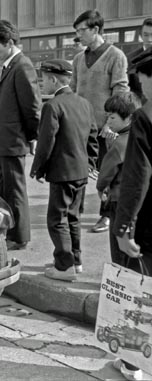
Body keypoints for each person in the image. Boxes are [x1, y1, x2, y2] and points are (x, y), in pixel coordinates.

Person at [30, 59, 98, 281]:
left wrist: (38, 169)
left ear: (53, 79)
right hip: (80, 171)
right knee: (73, 218)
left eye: (43, 79)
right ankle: (75, 261)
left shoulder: (52, 106)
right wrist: (90, 163)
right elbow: (93, 136)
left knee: (57, 220)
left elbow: (46, 142)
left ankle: (64, 266)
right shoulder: (84, 103)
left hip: (62, 173)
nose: (42, 83)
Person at [109, 48, 152, 381]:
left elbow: (137, 178)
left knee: (138, 292)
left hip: (148, 224)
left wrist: (125, 227)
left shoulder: (145, 117)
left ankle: (132, 363)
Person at [70, 9, 129, 233]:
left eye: (82, 31)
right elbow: (74, 90)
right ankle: (76, 210)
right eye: (76, 32)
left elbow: (120, 91)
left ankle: (106, 215)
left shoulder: (116, 56)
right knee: (79, 170)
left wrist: (110, 123)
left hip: (105, 129)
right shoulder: (78, 59)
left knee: (107, 172)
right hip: (81, 127)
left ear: (96, 29)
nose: (79, 35)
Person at [0, 20, 41, 250]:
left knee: (15, 191)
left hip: (15, 141)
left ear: (9, 43)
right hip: (5, 141)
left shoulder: (22, 66)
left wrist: (32, 137)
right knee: (4, 189)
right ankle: (8, 231)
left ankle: (19, 237)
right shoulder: (10, 65)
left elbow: (32, 107)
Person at [96, 93, 142, 270]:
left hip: (119, 200)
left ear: (128, 118)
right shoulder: (141, 137)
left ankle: (121, 280)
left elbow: (106, 173)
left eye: (113, 117)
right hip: (138, 201)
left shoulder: (120, 143)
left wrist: (101, 189)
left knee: (118, 246)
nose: (109, 121)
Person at [125, 18, 152, 103]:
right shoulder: (130, 58)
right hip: (140, 107)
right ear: (141, 35)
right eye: (146, 35)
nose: (150, 39)